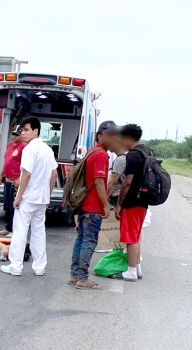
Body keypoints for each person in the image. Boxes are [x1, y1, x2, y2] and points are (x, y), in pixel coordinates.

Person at [0, 117, 58, 277]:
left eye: (26, 130)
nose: (22, 133)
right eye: (22, 130)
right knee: (39, 231)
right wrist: (49, 195)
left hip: (28, 196)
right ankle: (39, 266)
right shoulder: (47, 149)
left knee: (20, 230)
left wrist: (18, 196)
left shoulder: (29, 149)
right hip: (42, 196)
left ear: (35, 131)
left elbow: (26, 174)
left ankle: (16, 266)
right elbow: (53, 174)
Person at [68, 121, 118, 290]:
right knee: (89, 241)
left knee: (81, 239)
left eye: (115, 135)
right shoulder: (102, 155)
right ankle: (83, 279)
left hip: (84, 205)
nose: (113, 139)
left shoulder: (92, 151)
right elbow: (98, 182)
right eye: (110, 135)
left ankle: (75, 275)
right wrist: (105, 205)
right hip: (92, 207)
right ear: (100, 135)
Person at [113, 124, 149, 282]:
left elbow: (127, 182)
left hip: (132, 201)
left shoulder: (133, 156)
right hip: (143, 201)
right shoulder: (147, 151)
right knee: (136, 235)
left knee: (130, 238)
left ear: (128, 138)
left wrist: (119, 203)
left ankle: (131, 272)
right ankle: (137, 268)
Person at [0, 126, 27, 238]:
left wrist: (20, 179)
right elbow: (6, 160)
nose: (14, 137)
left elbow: (25, 165)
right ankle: (8, 227)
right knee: (7, 205)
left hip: (16, 181)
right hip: (8, 180)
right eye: (13, 134)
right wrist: (1, 173)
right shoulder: (10, 145)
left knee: (15, 206)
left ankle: (15, 229)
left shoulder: (24, 147)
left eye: (17, 134)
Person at [107, 136, 127, 208]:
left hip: (116, 196)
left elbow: (113, 182)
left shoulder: (120, 160)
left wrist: (106, 197)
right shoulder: (126, 157)